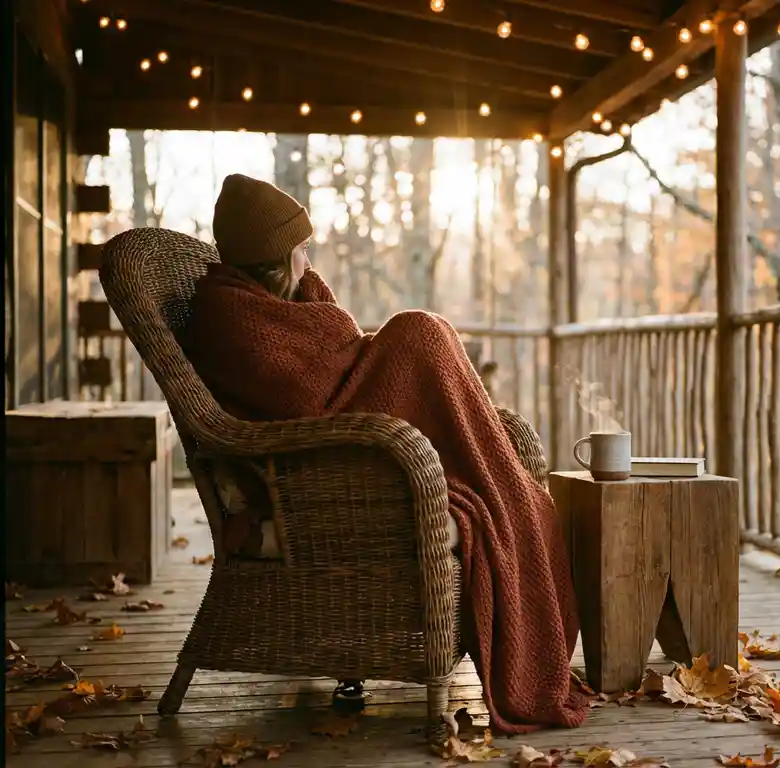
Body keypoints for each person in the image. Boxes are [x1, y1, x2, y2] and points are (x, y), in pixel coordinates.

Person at [179, 174, 589, 734]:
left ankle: (500, 481)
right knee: (418, 331)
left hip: (352, 435)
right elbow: (308, 395)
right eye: (300, 248)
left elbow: (337, 352)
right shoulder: (230, 317)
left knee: (421, 332)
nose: (308, 259)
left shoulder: (278, 301)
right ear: (274, 256)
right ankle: (501, 483)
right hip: (327, 465)